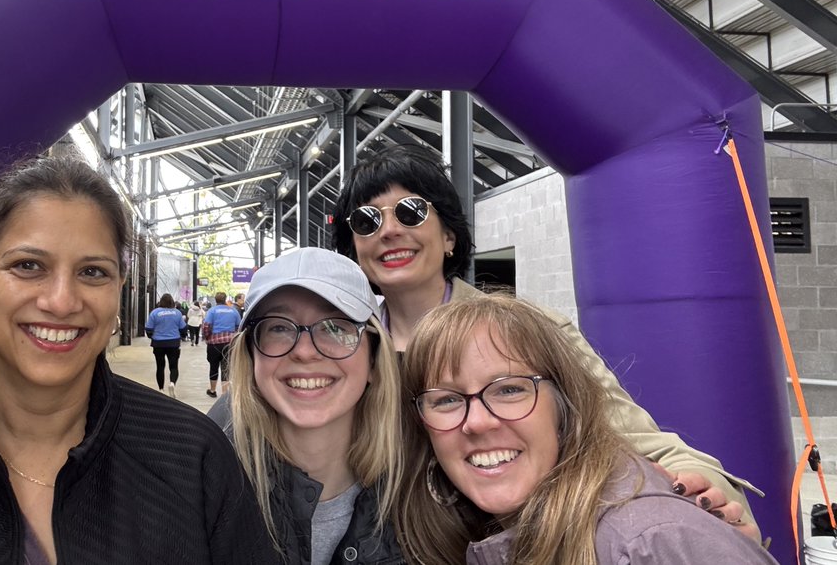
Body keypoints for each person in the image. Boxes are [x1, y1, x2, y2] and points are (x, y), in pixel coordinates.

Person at [0, 151, 276, 564]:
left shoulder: (191, 456)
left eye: (92, 272)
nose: (61, 301)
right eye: (28, 266)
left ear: (117, 292)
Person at [329, 144, 760, 539]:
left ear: (448, 236)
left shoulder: (532, 332)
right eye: (367, 221)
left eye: (410, 212)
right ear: (354, 248)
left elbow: (640, 440)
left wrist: (707, 488)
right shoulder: (343, 349)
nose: (388, 231)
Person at [395, 294, 775, 565]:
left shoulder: (647, 543)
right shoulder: (464, 533)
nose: (477, 421)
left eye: (510, 389)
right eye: (445, 400)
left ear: (565, 403)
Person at [230, 248, 404, 564]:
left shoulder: (420, 494)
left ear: (375, 360)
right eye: (279, 327)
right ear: (251, 357)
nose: (306, 352)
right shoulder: (205, 487)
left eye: (336, 327)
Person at [145, 293, 186, 398]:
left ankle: (161, 389)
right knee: (173, 366)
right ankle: (172, 383)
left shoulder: (155, 313)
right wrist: (181, 336)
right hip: (173, 343)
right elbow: (183, 328)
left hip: (158, 343)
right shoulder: (177, 313)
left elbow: (148, 328)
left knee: (160, 366)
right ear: (172, 302)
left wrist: (152, 336)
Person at [202, 291, 242, 398]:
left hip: (214, 344)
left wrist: (207, 337)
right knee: (226, 368)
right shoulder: (233, 311)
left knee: (213, 366)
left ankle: (213, 390)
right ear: (225, 299)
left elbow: (206, 326)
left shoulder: (212, 311)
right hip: (229, 343)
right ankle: (225, 393)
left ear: (215, 300)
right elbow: (239, 327)